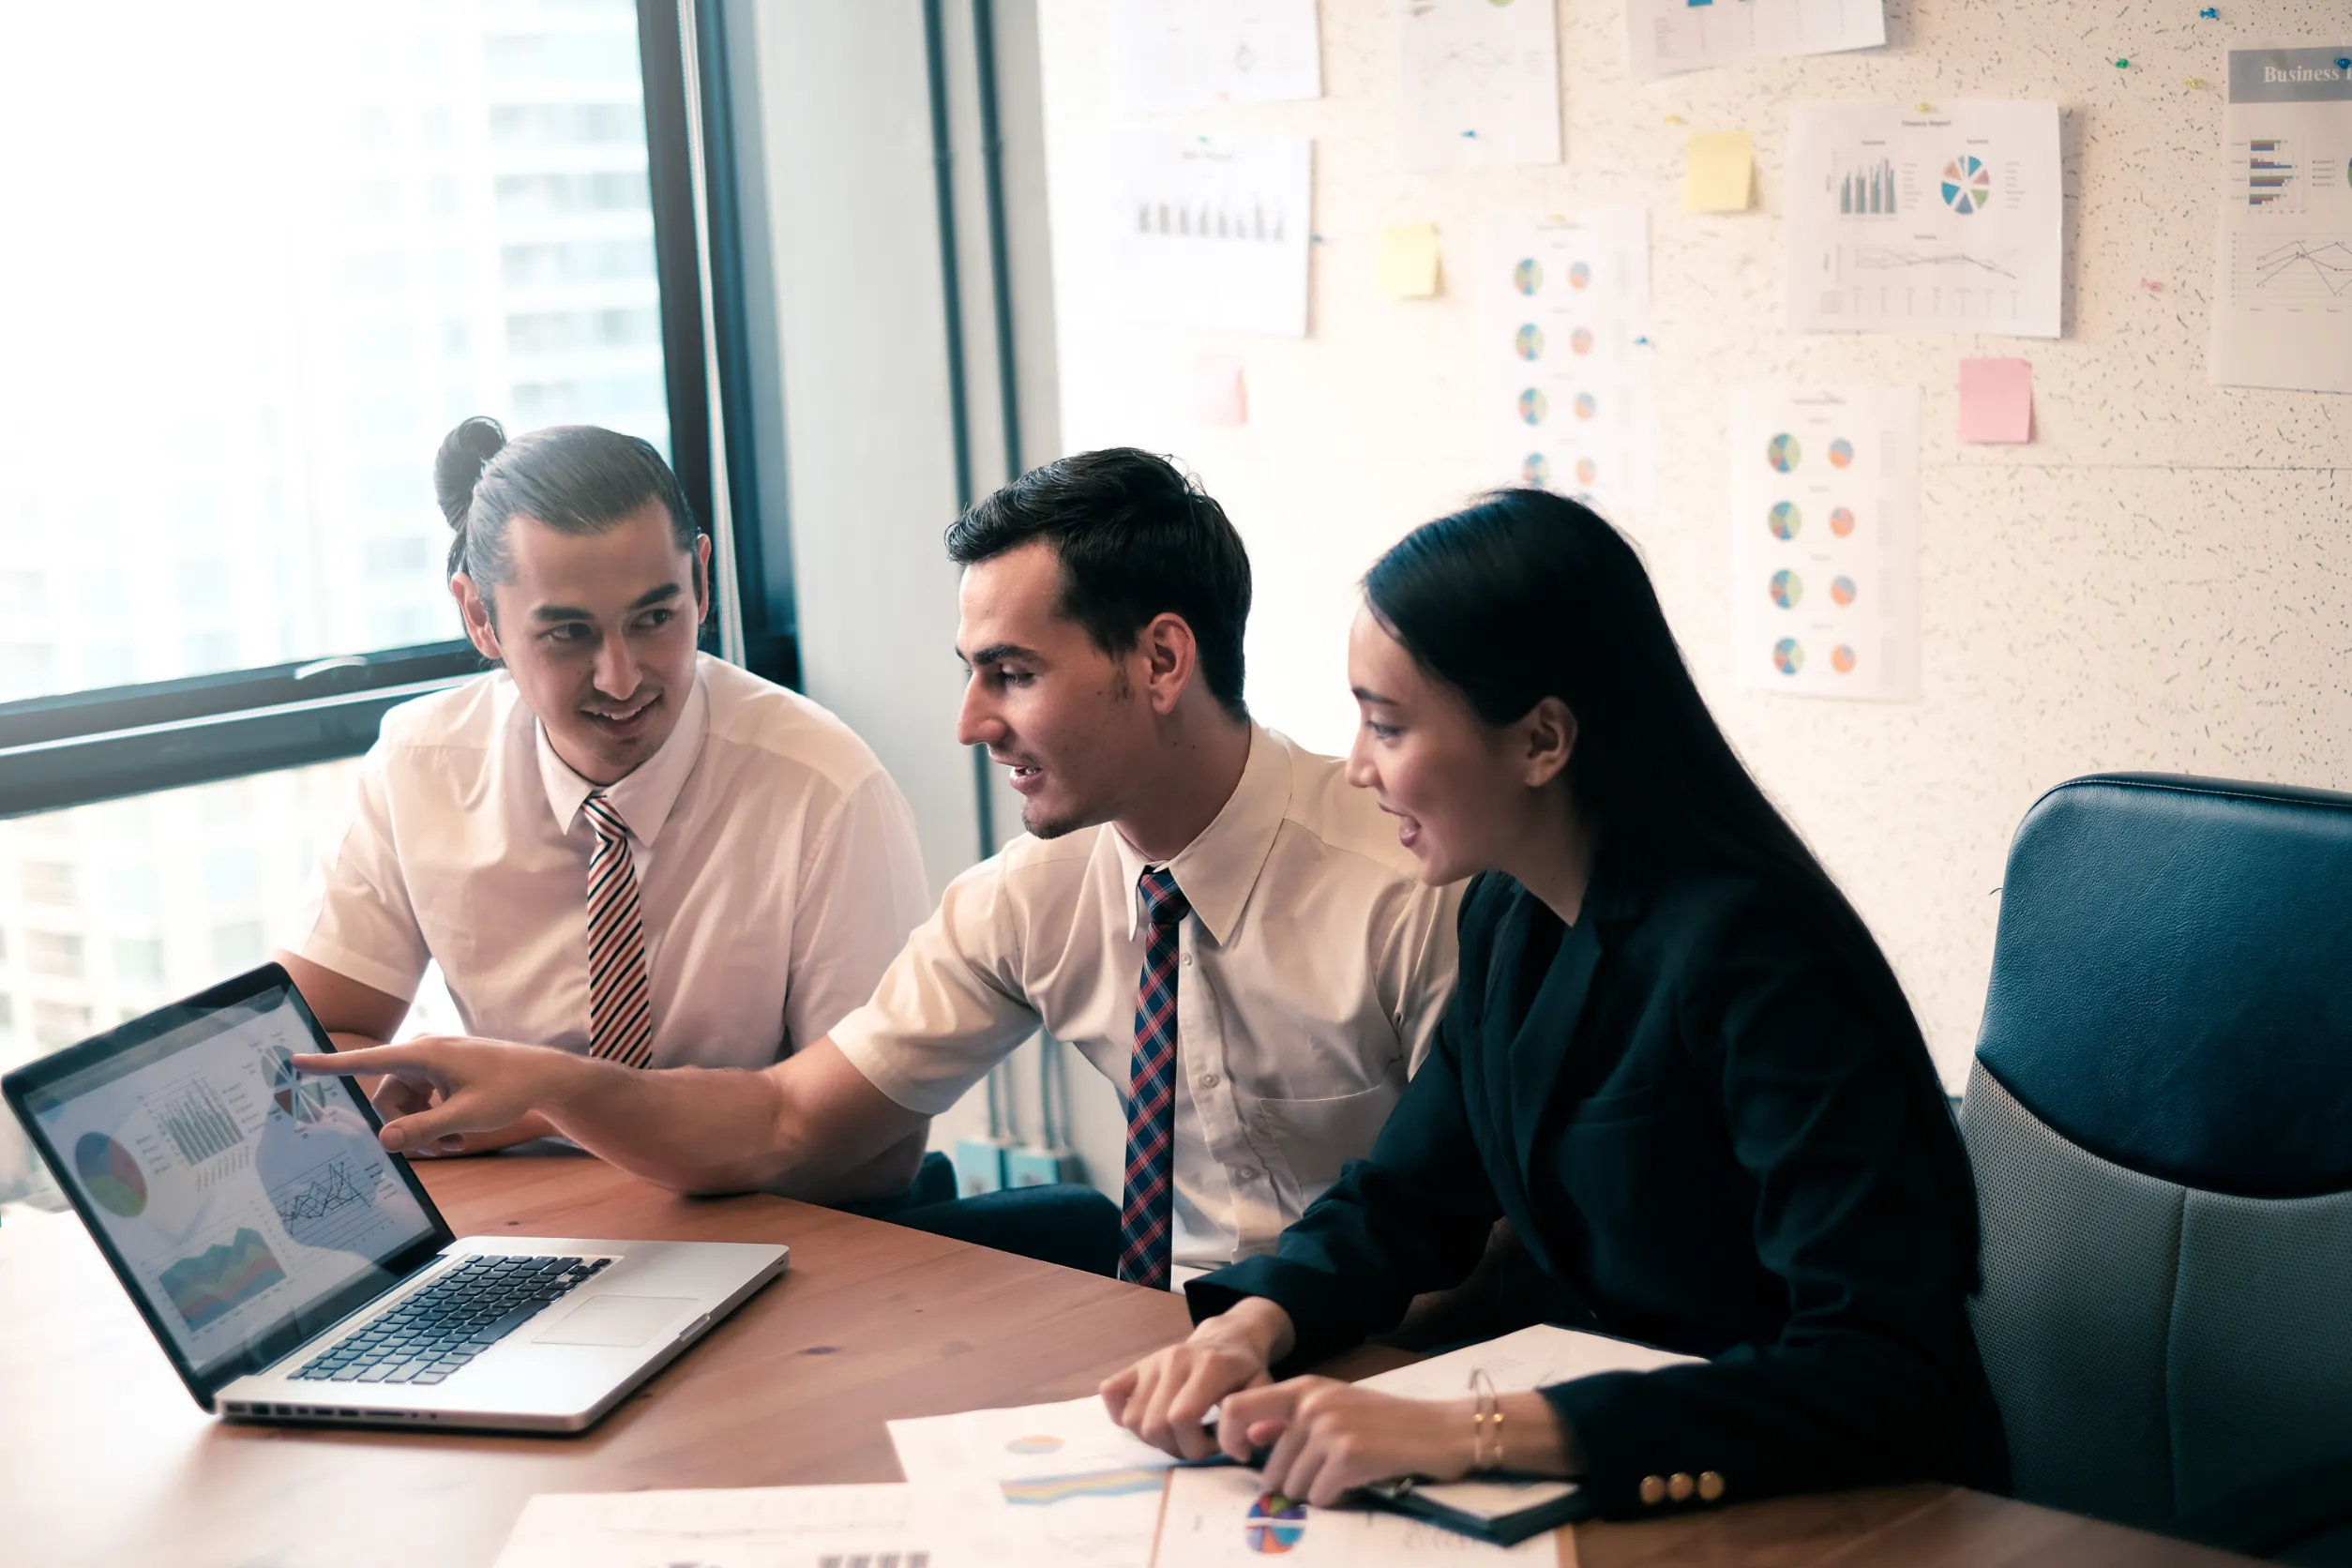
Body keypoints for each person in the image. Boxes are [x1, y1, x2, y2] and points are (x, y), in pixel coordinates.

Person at [298, 447, 1461, 1285]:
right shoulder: (1029, 901)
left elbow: (1491, 1237)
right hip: (1170, 1361)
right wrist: (547, 1083)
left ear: (1161, 659)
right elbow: (788, 1122)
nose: (967, 721)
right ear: (482, 621)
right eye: (971, 668)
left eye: (1010, 673)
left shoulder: (1416, 893)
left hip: (1389, 1375)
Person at [1101, 489, 2007, 1517]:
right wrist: (1249, 1323)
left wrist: (1466, 1435)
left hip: (1855, 1508)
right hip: (1649, 1492)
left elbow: (1878, 1373)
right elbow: (1405, 1201)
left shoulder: (1761, 958)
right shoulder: (1510, 915)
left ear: (1542, 741)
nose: (1357, 769)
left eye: (1388, 726)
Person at [278, 418, 933, 1203]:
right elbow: (305, 1047)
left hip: (767, 1224)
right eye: (567, 635)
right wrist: (396, 1100)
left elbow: (878, 1151)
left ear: (701, 578)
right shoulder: (420, 766)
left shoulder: (824, 788)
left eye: (655, 619)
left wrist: (546, 1104)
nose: (622, 680)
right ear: (478, 617)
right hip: (525, 1230)